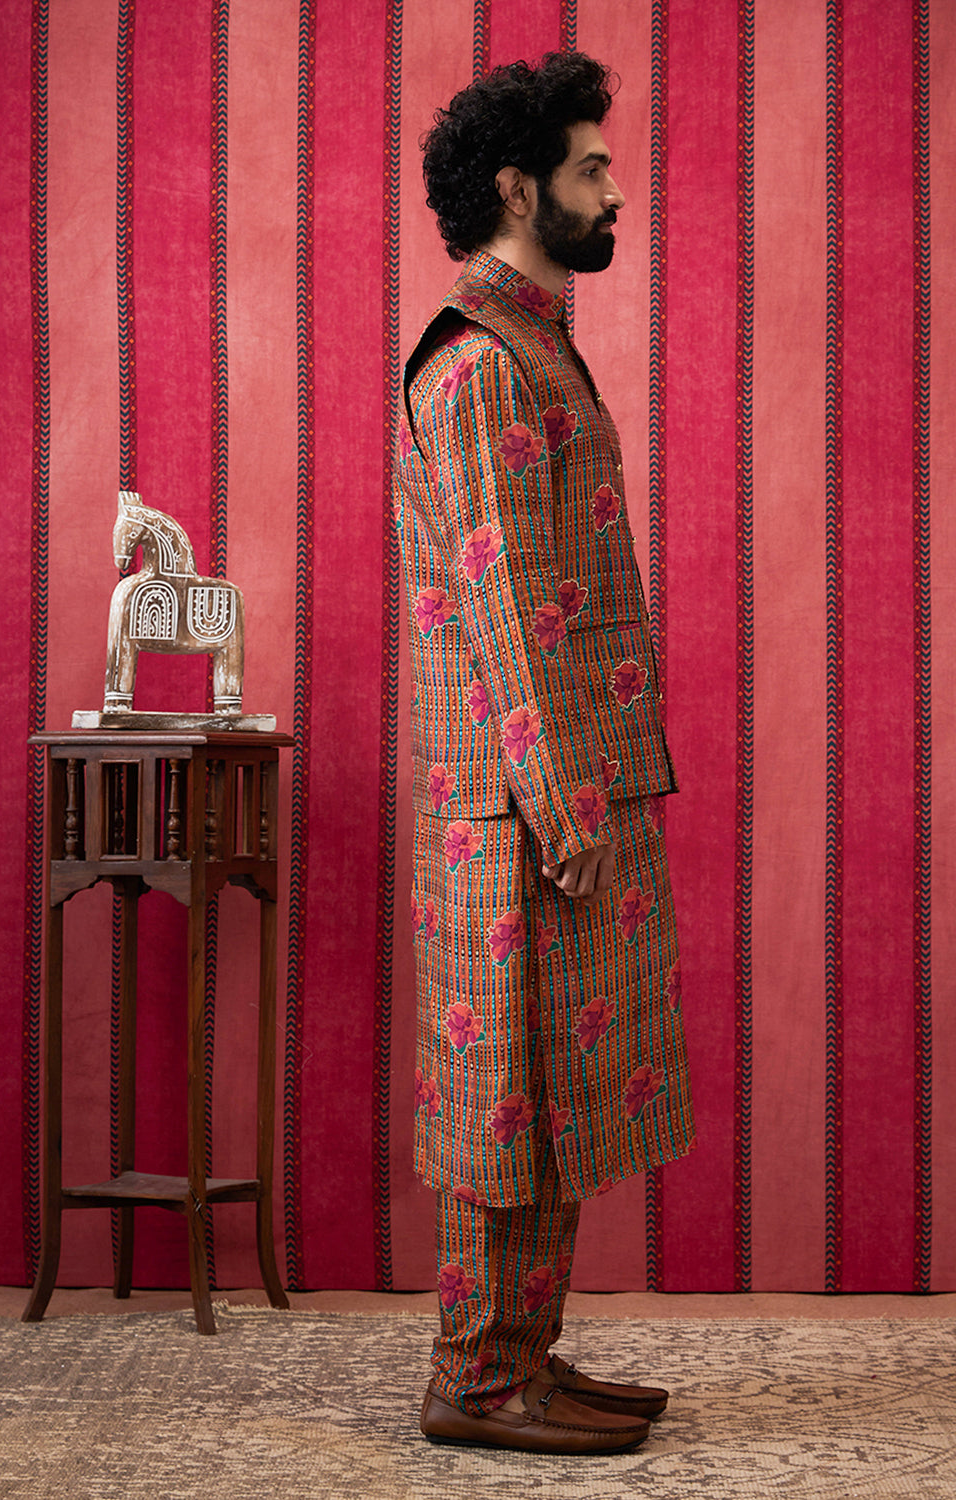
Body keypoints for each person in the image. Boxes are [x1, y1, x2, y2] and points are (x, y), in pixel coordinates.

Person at [394, 51, 696, 1455]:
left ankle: (523, 1353)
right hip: (518, 806)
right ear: (520, 189)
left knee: (556, 1094)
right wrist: (567, 811)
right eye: (592, 166)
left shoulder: (534, 344)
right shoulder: (477, 366)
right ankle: (476, 1379)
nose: (617, 188)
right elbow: (505, 603)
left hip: (558, 786)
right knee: (506, 1102)